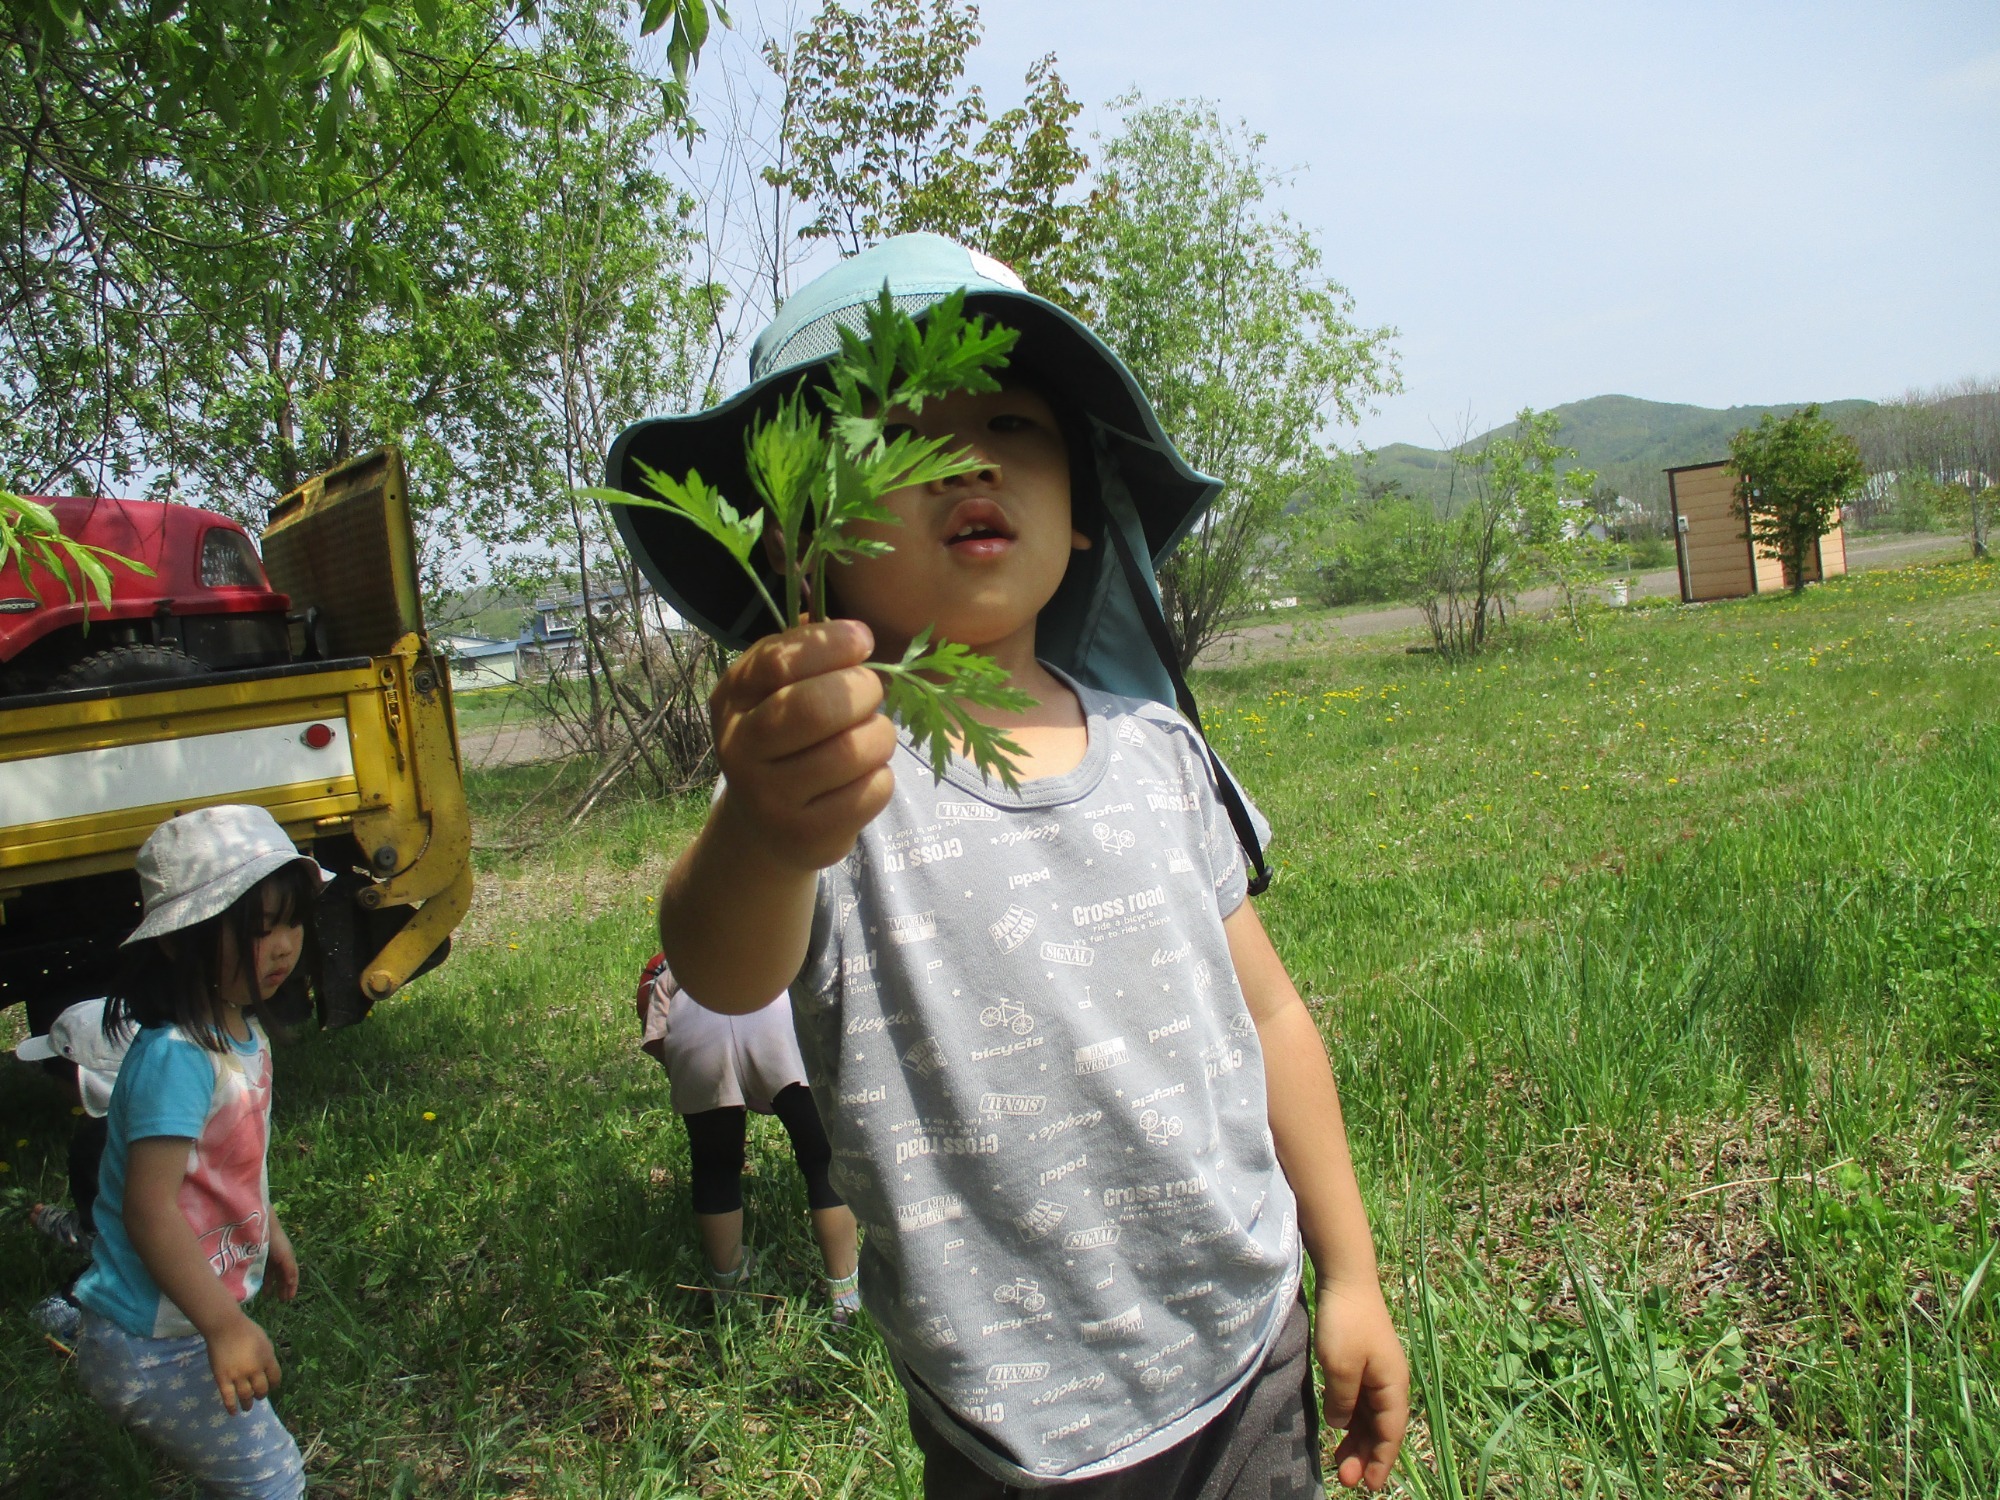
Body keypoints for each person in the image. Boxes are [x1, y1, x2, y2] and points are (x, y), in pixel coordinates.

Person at [615, 234, 1408, 1495]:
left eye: (1009, 421)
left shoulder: (1157, 754)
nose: (965, 457)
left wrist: (1350, 1271)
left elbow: (1267, 1013)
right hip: (1020, 1422)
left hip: (1245, 1342)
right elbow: (719, 964)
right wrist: (764, 832)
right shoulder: (829, 779)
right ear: (798, 543)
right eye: (890, 436)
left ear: (1086, 513)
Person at [69, 804, 327, 1500]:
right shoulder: (179, 1059)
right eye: (255, 928)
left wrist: (262, 1226)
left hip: (174, 1323)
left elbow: (226, 1164)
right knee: (271, 1480)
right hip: (156, 1342)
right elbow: (149, 1209)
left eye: (292, 922)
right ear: (179, 942)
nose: (281, 947)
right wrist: (224, 1323)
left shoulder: (241, 1033)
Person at [635, 952, 861, 1315]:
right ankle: (845, 1292)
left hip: (693, 1023)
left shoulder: (673, 964)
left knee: (714, 1166)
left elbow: (658, 1036)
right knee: (822, 1160)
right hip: (774, 1010)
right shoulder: (765, 939)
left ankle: (728, 1284)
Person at [15, 997, 134, 1338]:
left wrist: (50, 1219)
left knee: (47, 1316)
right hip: (219, 1257)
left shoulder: (95, 1145)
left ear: (83, 1081)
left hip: (150, 1275)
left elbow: (100, 1236)